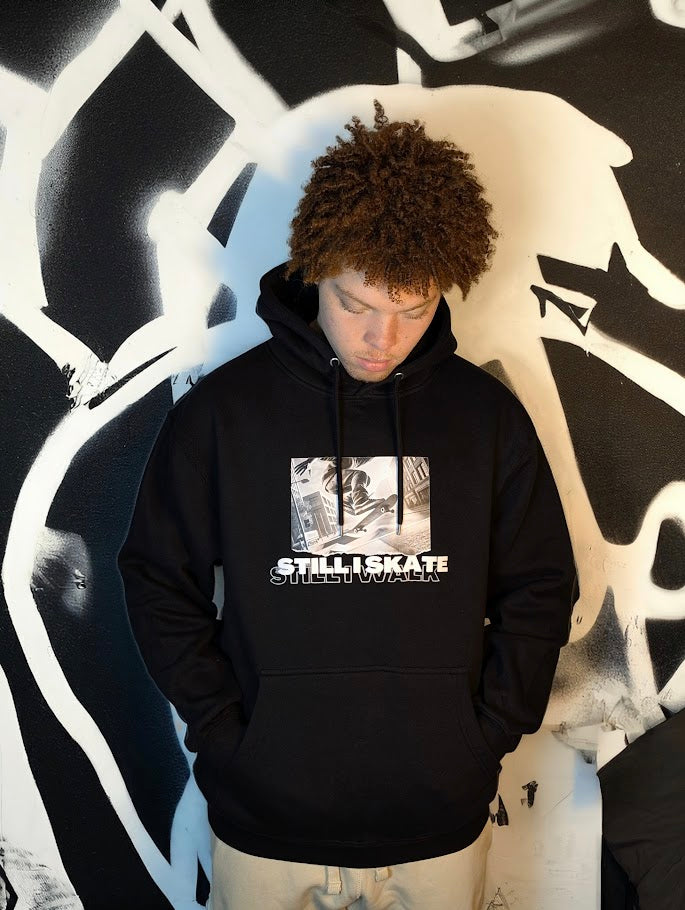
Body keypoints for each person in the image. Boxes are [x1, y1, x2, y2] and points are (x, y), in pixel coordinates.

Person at [116, 99, 577, 910]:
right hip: (263, 821)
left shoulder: (484, 419)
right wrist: (226, 735)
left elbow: (539, 586)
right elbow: (157, 577)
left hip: (437, 819)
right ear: (313, 272)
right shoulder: (225, 414)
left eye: (412, 309)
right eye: (354, 304)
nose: (380, 339)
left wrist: (483, 739)